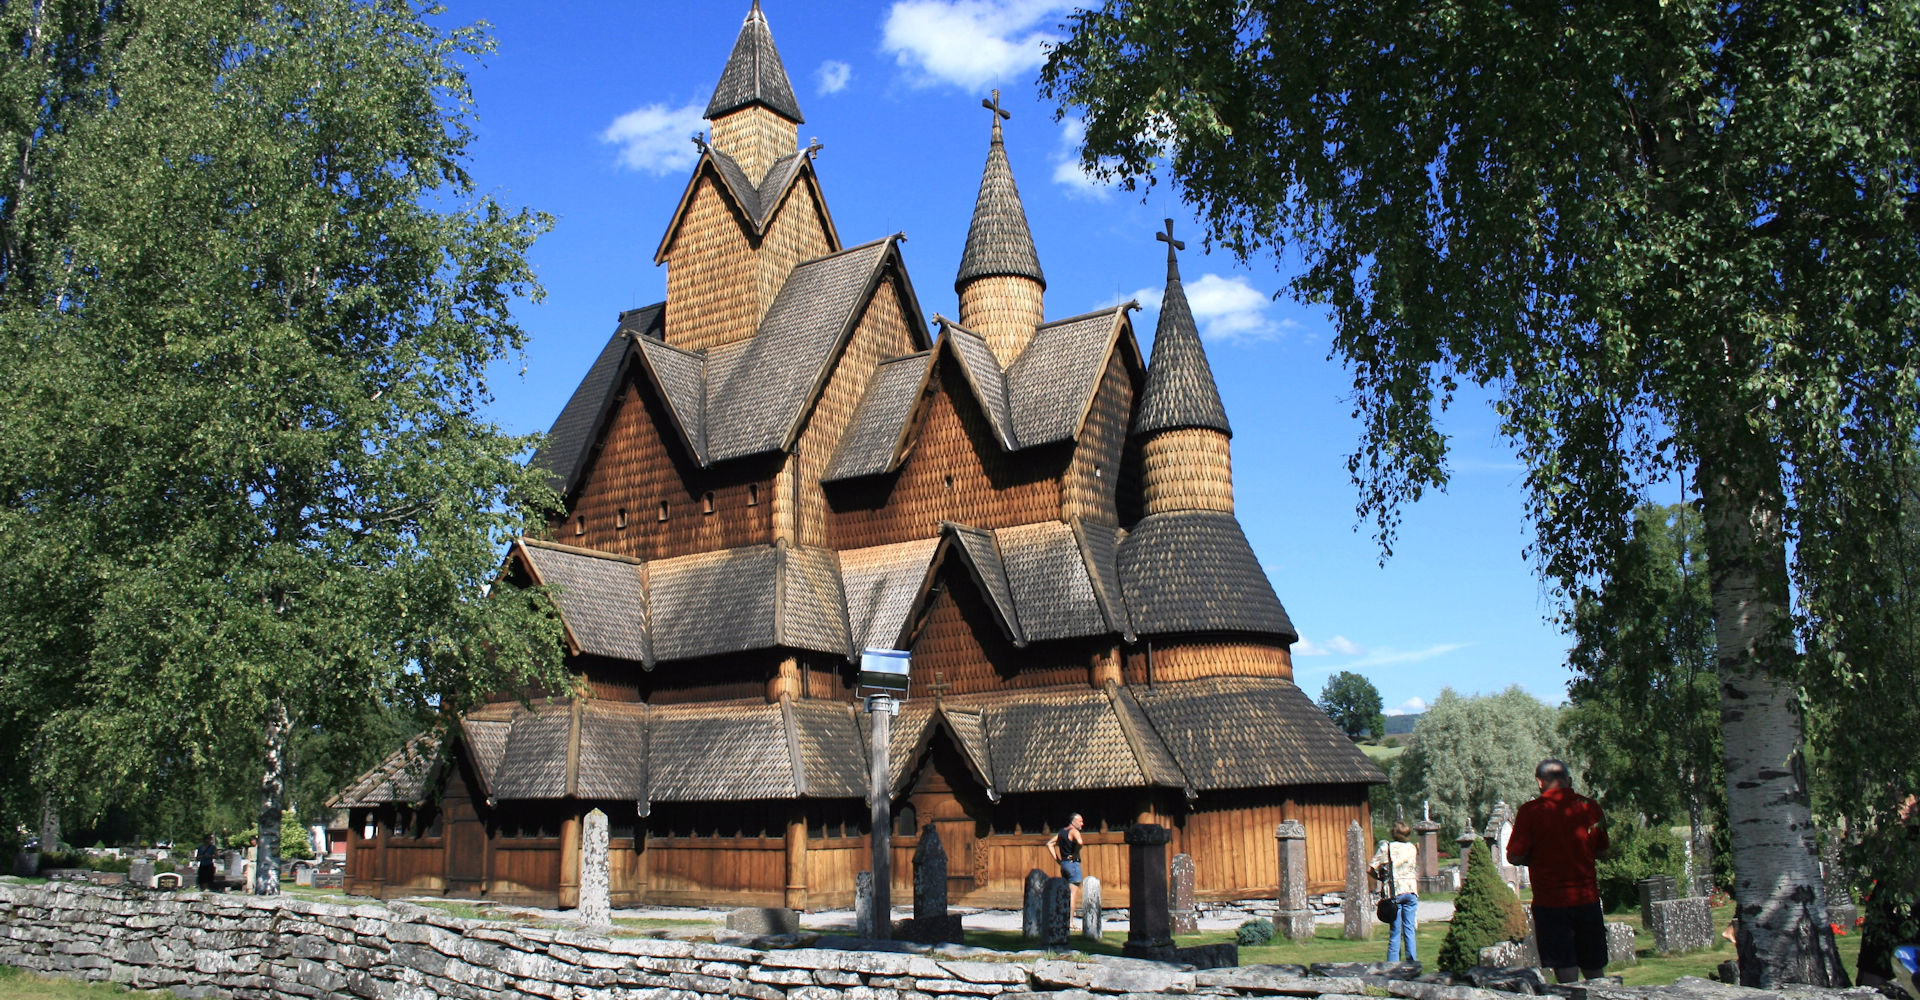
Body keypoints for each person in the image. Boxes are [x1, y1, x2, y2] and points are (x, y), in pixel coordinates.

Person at [1507, 758, 1610, 984]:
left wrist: (1536, 858)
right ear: (1568, 779)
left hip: (1550, 901)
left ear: (1539, 782)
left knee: (1565, 969)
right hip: (1586, 898)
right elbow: (1603, 851)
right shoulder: (1589, 807)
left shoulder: (1531, 811)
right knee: (1594, 968)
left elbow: (1514, 856)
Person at [1859, 793, 1920, 993]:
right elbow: (1877, 859)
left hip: (1911, 910)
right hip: (1888, 908)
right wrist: (1898, 823)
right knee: (1874, 971)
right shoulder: (1900, 835)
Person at [1371, 821, 1420, 962]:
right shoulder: (1413, 848)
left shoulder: (1386, 848)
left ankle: (1392, 966)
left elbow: (1371, 868)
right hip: (1411, 890)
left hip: (1395, 892)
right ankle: (1412, 963)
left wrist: (1379, 877)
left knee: (1395, 932)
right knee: (1409, 930)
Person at [1048, 813, 1086, 928]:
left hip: (1064, 864)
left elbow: (1049, 843)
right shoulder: (1074, 831)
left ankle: (1062, 918)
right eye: (1080, 821)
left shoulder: (1062, 832)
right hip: (1073, 864)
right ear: (1073, 821)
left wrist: (1058, 860)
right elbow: (1080, 842)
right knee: (1072, 894)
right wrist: (1075, 853)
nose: (1082, 824)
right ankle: (1069, 922)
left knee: (1065, 893)